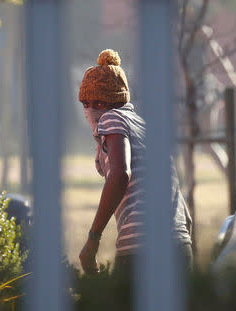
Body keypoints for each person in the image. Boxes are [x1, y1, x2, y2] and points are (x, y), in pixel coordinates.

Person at [78, 49, 193, 276]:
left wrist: (93, 238)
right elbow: (183, 210)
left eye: (99, 102)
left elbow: (120, 175)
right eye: (85, 102)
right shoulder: (147, 130)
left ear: (115, 101)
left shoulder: (112, 118)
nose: (91, 109)